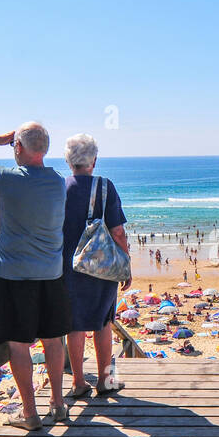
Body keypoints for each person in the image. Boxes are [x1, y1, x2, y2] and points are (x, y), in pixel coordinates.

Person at [0, 122, 70, 429]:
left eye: (14, 145)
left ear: (17, 147)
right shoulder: (58, 181)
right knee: (53, 341)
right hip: (51, 273)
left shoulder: (5, 179)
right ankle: (58, 404)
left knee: (18, 345)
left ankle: (30, 414)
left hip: (13, 275)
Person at [60, 133, 131, 399]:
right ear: (94, 160)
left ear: (68, 161)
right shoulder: (105, 187)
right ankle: (104, 380)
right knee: (103, 322)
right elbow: (118, 232)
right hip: (102, 268)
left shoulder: (60, 188)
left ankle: (78, 382)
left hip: (69, 267)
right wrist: (125, 263)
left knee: (74, 325)